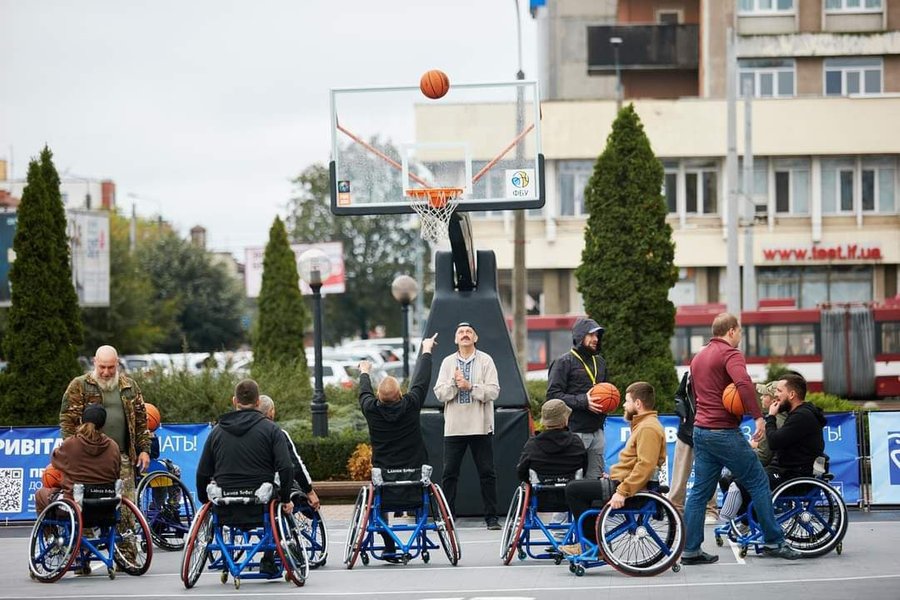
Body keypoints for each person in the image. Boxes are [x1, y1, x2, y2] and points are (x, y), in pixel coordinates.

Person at [682, 313, 800, 564]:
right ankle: (773, 541)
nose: (741, 337)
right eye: (740, 332)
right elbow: (744, 384)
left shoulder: (699, 356)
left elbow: (693, 393)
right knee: (758, 480)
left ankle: (690, 550)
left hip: (701, 430)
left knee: (699, 493)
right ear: (732, 331)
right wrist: (758, 417)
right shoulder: (730, 354)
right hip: (723, 431)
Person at [560, 382, 665, 554]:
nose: (624, 405)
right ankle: (593, 542)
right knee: (587, 491)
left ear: (638, 404)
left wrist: (622, 491)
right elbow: (636, 464)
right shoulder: (643, 425)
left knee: (573, 489)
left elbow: (646, 466)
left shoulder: (648, 428)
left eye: (627, 401)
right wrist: (614, 475)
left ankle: (591, 544)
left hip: (632, 489)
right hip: (624, 483)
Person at [358, 333, 437, 559]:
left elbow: (363, 393)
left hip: (385, 479)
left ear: (378, 398)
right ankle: (417, 536)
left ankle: (389, 544)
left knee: (378, 501)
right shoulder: (411, 405)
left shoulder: (371, 409)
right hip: (414, 477)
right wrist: (426, 350)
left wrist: (365, 371)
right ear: (401, 394)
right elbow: (422, 380)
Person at [60, 345, 151, 506]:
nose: (106, 372)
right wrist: (73, 451)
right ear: (95, 362)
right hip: (89, 459)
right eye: (102, 367)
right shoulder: (79, 385)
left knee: (126, 508)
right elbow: (68, 421)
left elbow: (141, 421)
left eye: (111, 367)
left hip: (123, 458)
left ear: (117, 363)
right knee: (91, 508)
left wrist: (144, 450)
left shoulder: (129, 386)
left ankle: (125, 531)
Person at [433, 322, 501, 530]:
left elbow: (494, 391)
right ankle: (447, 517)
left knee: (487, 473)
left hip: (480, 426)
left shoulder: (486, 360)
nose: (465, 335)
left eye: (469, 332)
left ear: (475, 337)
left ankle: (491, 518)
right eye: (461, 332)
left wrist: (470, 386)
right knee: (449, 473)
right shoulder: (447, 362)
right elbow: (439, 393)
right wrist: (455, 384)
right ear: (455, 339)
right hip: (454, 428)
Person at [196, 378, 294, 512]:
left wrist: (204, 499)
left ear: (235, 401)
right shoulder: (271, 429)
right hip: (261, 499)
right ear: (258, 402)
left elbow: (203, 472)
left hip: (225, 500)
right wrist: (286, 499)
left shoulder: (217, 432)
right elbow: (286, 467)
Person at [546, 317, 608, 479]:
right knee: (574, 479)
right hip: (575, 430)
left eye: (597, 335)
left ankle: (594, 505)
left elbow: (607, 390)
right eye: (591, 335)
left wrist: (608, 403)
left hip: (598, 430)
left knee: (595, 478)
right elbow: (553, 396)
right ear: (580, 336)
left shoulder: (600, 362)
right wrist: (584, 401)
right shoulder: (563, 362)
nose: (596, 339)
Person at [36, 405, 121, 513]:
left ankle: (50, 530)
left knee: (40, 494)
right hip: (106, 505)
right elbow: (117, 473)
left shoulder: (71, 444)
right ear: (104, 424)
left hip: (76, 505)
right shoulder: (113, 446)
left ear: (81, 420)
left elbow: (55, 461)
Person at [668, 372, 719, 522]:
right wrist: (681, 411)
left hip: (709, 430)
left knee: (709, 473)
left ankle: (710, 510)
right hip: (687, 430)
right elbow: (678, 395)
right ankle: (675, 508)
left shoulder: (719, 374)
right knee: (680, 475)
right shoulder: (690, 374)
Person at [257, 395, 319, 510]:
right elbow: (294, 465)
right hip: (269, 490)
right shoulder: (278, 433)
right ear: (271, 412)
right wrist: (309, 491)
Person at [515, 399, 588, 484]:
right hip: (571, 492)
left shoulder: (532, 445)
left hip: (541, 493)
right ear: (565, 419)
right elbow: (584, 467)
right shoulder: (576, 442)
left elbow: (521, 472)